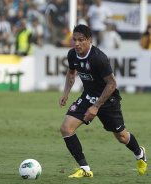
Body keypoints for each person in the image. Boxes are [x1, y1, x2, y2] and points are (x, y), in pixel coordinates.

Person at [59, 24, 147, 178]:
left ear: (89, 40)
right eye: (74, 40)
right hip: (88, 96)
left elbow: (112, 84)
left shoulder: (98, 58)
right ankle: (85, 169)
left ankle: (139, 153)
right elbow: (71, 73)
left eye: (81, 40)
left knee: (121, 137)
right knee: (66, 128)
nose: (77, 43)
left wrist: (96, 106)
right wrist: (66, 92)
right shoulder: (72, 54)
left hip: (108, 100)